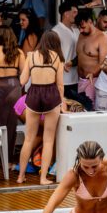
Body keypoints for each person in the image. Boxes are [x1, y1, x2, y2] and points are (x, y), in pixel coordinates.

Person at [17, 31, 65, 185]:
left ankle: (20, 176)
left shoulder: (30, 56)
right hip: (51, 95)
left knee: (29, 139)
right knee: (49, 139)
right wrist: (61, 102)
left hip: (34, 95)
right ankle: (43, 178)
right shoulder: (58, 58)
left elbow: (23, 80)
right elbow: (60, 84)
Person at [0, 26, 26, 163]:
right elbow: (25, 74)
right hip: (13, 87)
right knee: (11, 125)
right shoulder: (19, 53)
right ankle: (8, 161)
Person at [76, 9, 107, 111]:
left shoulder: (101, 38)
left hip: (93, 81)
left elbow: (104, 62)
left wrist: (93, 73)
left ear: (90, 22)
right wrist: (70, 63)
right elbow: (81, 55)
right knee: (80, 109)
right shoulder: (81, 35)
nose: (80, 30)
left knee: (90, 110)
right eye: (79, 27)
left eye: (82, 27)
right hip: (80, 80)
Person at [52, 1, 79, 101]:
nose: (76, 15)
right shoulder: (56, 31)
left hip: (76, 78)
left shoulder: (77, 30)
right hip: (62, 79)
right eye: (74, 12)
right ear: (66, 14)